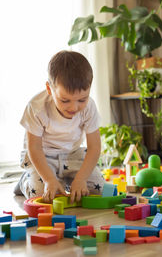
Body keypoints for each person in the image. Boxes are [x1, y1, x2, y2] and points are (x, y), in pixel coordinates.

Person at [14, 50, 104, 203]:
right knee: (44, 195)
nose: (74, 108)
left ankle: (67, 181)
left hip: (72, 155)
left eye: (82, 100)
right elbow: (34, 148)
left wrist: (81, 179)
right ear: (50, 89)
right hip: (42, 157)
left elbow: (94, 147)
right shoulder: (36, 107)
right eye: (65, 100)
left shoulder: (89, 107)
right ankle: (26, 181)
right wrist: (49, 179)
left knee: (98, 189)